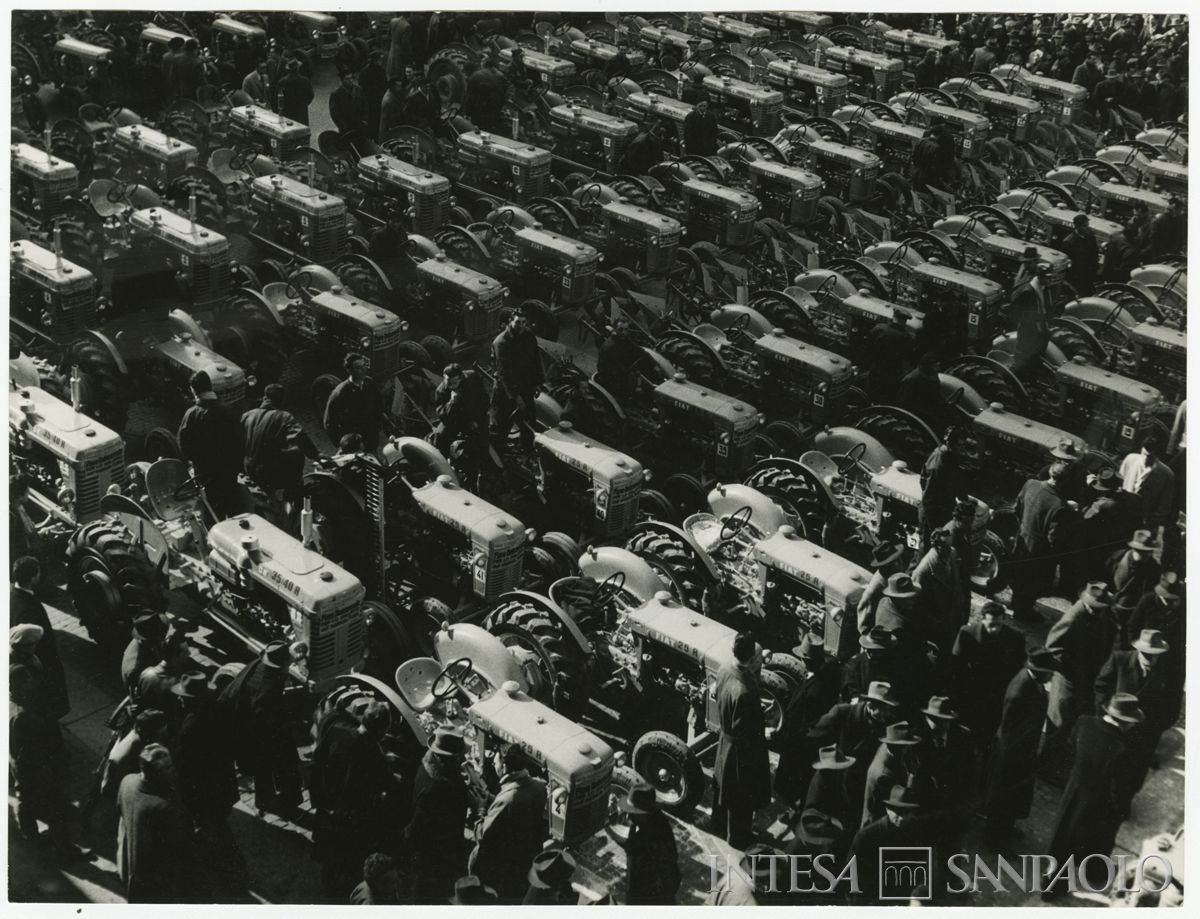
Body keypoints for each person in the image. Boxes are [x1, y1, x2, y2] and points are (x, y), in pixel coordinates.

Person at [1042, 694, 1144, 899]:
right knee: (1084, 843)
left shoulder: (1083, 723)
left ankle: (1050, 882)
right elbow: (1117, 789)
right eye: (1131, 722)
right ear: (1123, 722)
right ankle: (1059, 887)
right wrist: (1120, 809)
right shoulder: (1121, 748)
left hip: (1073, 793)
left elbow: (1070, 747)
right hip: (1096, 805)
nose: (1132, 727)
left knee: (1063, 837)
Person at [1093, 629, 1182, 808]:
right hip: (1118, 727)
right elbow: (1101, 686)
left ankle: (1122, 803)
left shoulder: (1169, 670)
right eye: (1146, 654)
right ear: (1138, 649)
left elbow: (1173, 703)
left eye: (1154, 655)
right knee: (1110, 768)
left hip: (1147, 732)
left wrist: (1158, 726)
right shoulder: (1120, 660)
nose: (1150, 659)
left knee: (1135, 772)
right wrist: (1110, 714)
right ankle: (1102, 800)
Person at [982, 648, 1061, 847]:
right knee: (1004, 799)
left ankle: (1006, 828)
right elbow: (1010, 730)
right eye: (1049, 671)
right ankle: (995, 840)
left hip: (1022, 752)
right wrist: (1020, 758)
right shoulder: (1020, 691)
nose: (1052, 675)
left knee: (1013, 799)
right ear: (1040, 670)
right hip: (1011, 756)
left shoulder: (1034, 683)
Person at [9, 659, 81, 861]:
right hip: (33, 764)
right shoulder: (21, 715)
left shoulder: (10, 704)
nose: (31, 682)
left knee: (24, 797)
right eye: (28, 679)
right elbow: (31, 744)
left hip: (17, 761)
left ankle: (30, 834)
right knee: (54, 804)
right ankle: (65, 848)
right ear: (20, 685)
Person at [219, 641, 302, 815]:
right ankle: (269, 800)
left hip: (246, 720)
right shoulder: (268, 688)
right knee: (266, 764)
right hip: (254, 731)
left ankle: (267, 798)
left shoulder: (259, 664)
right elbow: (262, 722)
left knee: (264, 766)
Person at [1044, 582, 1117, 772]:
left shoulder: (1101, 614)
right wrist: (1074, 669)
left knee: (1076, 720)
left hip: (1087, 679)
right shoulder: (1074, 616)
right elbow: (1053, 648)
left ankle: (1062, 759)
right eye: (1098, 608)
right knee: (1059, 722)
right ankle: (1047, 766)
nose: (1102, 611)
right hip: (1069, 681)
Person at [712, 632, 771, 849]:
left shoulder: (723, 669)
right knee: (742, 798)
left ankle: (718, 825)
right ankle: (738, 839)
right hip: (741, 752)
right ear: (753, 659)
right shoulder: (745, 690)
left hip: (725, 740)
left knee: (722, 788)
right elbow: (748, 730)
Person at [808, 680, 901, 818]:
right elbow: (813, 736)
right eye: (884, 708)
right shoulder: (842, 713)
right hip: (837, 778)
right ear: (871, 704)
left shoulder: (886, 721)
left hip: (861, 783)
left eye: (889, 709)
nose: (887, 714)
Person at [117, 744, 197, 902]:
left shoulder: (127, 781)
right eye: (168, 768)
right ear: (154, 774)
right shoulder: (166, 807)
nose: (174, 770)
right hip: (157, 877)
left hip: (132, 868)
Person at [468, 745, 549, 902]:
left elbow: (482, 836)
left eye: (496, 761)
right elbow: (515, 809)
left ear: (504, 767)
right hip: (526, 862)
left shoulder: (506, 800)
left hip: (504, 869)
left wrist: (480, 810)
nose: (494, 764)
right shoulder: (539, 787)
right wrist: (491, 798)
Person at [774, 634, 842, 807]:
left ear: (805, 660)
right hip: (818, 738)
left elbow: (799, 721)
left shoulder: (812, 690)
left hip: (802, 744)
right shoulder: (830, 671)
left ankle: (795, 808)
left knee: (796, 780)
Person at [950, 601, 1026, 754]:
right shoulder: (967, 633)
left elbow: (1019, 666)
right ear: (982, 619)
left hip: (998, 692)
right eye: (991, 624)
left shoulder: (1015, 637)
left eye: (999, 624)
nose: (995, 629)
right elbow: (957, 665)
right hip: (972, 690)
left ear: (1004, 620)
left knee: (991, 729)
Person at [406, 727, 471, 902]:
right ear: (452, 758)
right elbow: (419, 827)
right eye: (459, 756)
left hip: (430, 857)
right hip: (438, 860)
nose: (462, 758)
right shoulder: (442, 789)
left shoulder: (424, 769)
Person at [178, 370, 244, 520]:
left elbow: (184, 445)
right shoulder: (228, 410)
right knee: (233, 514)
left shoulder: (192, 414)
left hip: (206, 476)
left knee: (212, 516)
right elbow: (240, 441)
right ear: (210, 386)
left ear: (193, 390)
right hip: (229, 473)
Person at [242, 383, 317, 511]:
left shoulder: (247, 415)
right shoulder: (283, 416)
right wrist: (316, 455)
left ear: (264, 397)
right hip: (269, 471)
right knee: (297, 453)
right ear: (281, 400)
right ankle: (293, 497)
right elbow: (299, 436)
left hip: (248, 467)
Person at [1010, 461, 1070, 622]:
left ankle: (1015, 603)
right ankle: (1023, 613)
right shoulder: (1059, 505)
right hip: (1038, 549)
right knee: (1031, 582)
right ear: (1065, 480)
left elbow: (1016, 508)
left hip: (1022, 537)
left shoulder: (1031, 483)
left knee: (1019, 575)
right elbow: (1053, 538)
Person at [10, 556, 68, 719]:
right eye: (38, 572)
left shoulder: (13, 594)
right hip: (43, 662)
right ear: (33, 577)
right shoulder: (28, 607)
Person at [607, 783, 681, 905]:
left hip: (650, 895)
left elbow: (633, 887)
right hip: (668, 884)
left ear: (642, 813)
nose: (629, 814)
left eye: (632, 811)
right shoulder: (657, 818)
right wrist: (614, 815)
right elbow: (628, 821)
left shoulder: (640, 840)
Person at [490, 309, 543, 449]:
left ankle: (526, 450)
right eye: (518, 322)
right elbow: (504, 374)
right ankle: (498, 457)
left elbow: (536, 360)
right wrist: (517, 397)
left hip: (525, 387)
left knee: (529, 424)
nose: (521, 326)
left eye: (524, 323)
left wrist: (537, 382)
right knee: (500, 426)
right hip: (505, 392)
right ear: (510, 322)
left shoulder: (529, 336)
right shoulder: (501, 343)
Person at [861, 721, 920, 827]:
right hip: (877, 823)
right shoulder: (883, 775)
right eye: (904, 746)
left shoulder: (887, 748)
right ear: (892, 745)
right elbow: (902, 800)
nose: (908, 748)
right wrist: (912, 776)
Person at [324, 352, 384, 452]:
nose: (363, 370)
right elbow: (329, 422)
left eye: (364, 366)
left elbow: (378, 403)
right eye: (358, 367)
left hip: (371, 436)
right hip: (354, 443)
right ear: (349, 370)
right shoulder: (340, 393)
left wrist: (378, 423)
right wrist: (341, 444)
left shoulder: (369, 383)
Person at [1118, 434, 1176, 536]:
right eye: (1144, 454)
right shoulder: (1130, 459)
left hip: (1142, 520)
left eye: (1150, 457)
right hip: (1121, 511)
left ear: (1157, 456)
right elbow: (1120, 481)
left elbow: (1164, 507)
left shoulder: (1166, 474)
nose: (1145, 459)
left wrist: (1150, 525)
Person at [432, 363, 489, 459]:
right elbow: (443, 417)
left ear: (461, 378)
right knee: (440, 437)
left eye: (454, 383)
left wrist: (474, 419)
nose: (451, 387)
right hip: (454, 420)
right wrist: (451, 403)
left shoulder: (472, 379)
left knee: (482, 442)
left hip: (474, 416)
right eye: (448, 383)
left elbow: (485, 402)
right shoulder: (440, 391)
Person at [135, 632, 193, 717]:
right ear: (174, 657)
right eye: (185, 652)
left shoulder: (145, 672)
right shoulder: (176, 685)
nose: (189, 653)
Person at [856, 541, 909, 633]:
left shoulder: (895, 573)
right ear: (886, 565)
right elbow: (863, 624)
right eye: (895, 561)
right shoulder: (874, 589)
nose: (900, 562)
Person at [864, 308, 915, 403]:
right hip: (892, 373)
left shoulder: (879, 328)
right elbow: (907, 359)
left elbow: (868, 348)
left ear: (893, 317)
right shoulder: (906, 337)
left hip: (875, 369)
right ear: (904, 321)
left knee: (871, 393)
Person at [595, 319, 646, 401]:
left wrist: (655, 365)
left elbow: (639, 351)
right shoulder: (609, 348)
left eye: (626, 330)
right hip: (611, 379)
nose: (624, 332)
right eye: (620, 329)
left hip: (623, 373)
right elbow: (610, 369)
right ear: (614, 329)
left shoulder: (624, 340)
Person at [122, 612, 169, 696]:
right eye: (161, 635)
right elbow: (141, 694)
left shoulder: (149, 643)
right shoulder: (136, 667)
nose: (164, 637)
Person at [464, 56, 508, 133]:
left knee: (481, 126)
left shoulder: (473, 78)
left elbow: (469, 98)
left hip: (485, 108)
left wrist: (467, 114)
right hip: (496, 104)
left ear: (467, 71)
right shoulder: (490, 73)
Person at [1060, 213, 1099, 295]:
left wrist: (1094, 269)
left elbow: (1095, 252)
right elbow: (1068, 264)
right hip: (1077, 278)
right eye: (1084, 226)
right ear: (1077, 226)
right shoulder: (1068, 242)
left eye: (1087, 225)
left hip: (1089, 274)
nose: (1087, 228)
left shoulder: (1090, 235)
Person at [330, 67, 369, 142]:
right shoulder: (336, 94)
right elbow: (334, 113)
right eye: (347, 79)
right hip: (346, 128)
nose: (350, 81)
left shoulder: (359, 90)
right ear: (342, 80)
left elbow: (365, 105)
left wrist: (364, 120)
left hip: (360, 125)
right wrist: (342, 126)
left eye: (351, 78)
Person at [359, 51, 388, 140]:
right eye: (380, 59)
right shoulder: (374, 70)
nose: (381, 61)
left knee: (373, 121)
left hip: (373, 100)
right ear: (376, 60)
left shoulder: (368, 70)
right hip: (373, 100)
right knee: (374, 121)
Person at [276, 58, 315, 124]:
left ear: (288, 70)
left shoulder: (282, 82)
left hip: (287, 112)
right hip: (301, 111)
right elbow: (311, 96)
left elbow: (278, 98)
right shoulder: (305, 81)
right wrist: (303, 104)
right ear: (298, 69)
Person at [385, 14, 413, 80]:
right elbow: (405, 43)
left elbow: (388, 36)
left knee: (391, 68)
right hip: (400, 51)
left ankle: (389, 81)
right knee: (398, 71)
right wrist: (409, 54)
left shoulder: (393, 21)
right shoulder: (407, 26)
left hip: (392, 47)